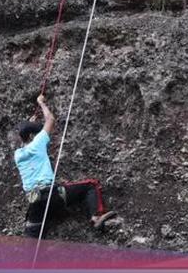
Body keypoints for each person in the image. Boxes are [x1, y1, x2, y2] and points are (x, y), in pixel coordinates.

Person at [15, 94, 117, 239]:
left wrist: (29, 126)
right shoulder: (38, 144)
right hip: (52, 196)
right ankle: (96, 217)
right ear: (33, 137)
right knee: (91, 185)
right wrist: (41, 103)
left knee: (32, 235)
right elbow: (50, 120)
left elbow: (25, 138)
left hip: (35, 203)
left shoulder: (18, 155)